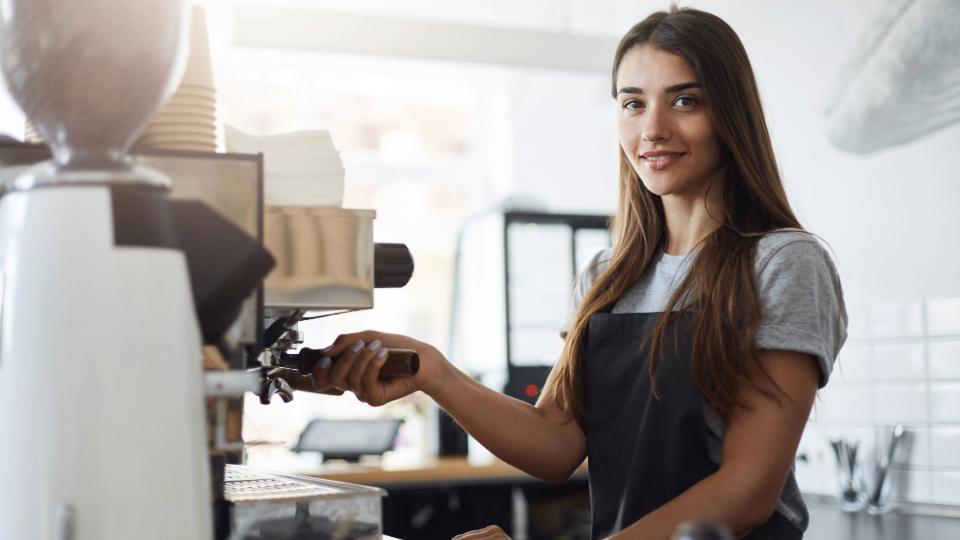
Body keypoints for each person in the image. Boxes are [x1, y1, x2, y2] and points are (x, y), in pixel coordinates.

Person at [301, 5, 847, 539]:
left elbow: (747, 492)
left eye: (685, 100)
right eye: (633, 104)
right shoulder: (606, 276)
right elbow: (557, 442)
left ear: (731, 114)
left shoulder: (781, 263)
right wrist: (432, 372)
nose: (653, 128)